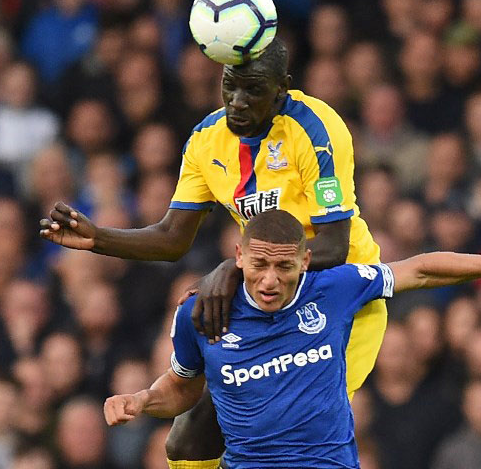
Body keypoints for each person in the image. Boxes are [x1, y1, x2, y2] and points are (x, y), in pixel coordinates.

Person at [41, 37, 388, 469]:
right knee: (187, 445)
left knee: (281, 439)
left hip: (335, 301)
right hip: (264, 296)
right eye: (230, 87)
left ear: (283, 89)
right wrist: (98, 238)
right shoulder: (207, 140)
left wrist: (235, 269)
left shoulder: (315, 127)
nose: (238, 102)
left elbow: (334, 246)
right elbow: (172, 236)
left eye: (254, 90)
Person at [103, 210, 481, 468]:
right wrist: (142, 399)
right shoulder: (200, 314)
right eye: (258, 264)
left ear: (303, 260)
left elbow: (421, 269)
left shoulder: (334, 289)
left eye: (283, 266)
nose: (270, 280)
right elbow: (184, 386)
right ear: (238, 255)